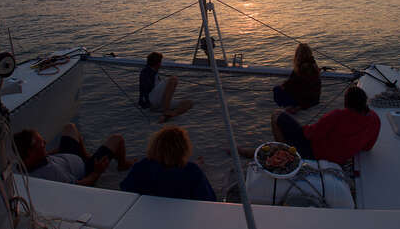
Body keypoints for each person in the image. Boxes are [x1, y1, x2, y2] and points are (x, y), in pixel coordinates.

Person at [239, 86, 381, 165]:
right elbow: (367, 147)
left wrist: (302, 128)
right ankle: (281, 150)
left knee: (277, 115)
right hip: (339, 158)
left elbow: (310, 134)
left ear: (347, 102)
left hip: (314, 153)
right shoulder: (375, 119)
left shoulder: (338, 115)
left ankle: (281, 153)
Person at [14, 123, 135, 186]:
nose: (45, 143)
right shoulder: (51, 172)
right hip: (86, 168)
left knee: (70, 127)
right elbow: (78, 186)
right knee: (117, 139)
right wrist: (97, 172)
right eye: (41, 143)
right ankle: (122, 164)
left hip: (65, 157)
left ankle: (85, 155)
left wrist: (49, 153)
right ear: (30, 151)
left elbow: (39, 158)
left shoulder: (23, 162)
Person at [120, 126, 216, 201]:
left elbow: (125, 189)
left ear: (155, 146)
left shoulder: (143, 166)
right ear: (183, 149)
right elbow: (208, 199)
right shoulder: (192, 171)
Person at [138, 51, 193, 123]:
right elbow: (144, 90)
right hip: (152, 101)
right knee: (173, 79)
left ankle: (170, 114)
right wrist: (146, 104)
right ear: (158, 63)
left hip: (159, 102)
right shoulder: (146, 72)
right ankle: (166, 111)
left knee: (188, 103)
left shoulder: (154, 73)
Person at [273, 43, 321, 113]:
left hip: (305, 100)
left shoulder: (302, 68)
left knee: (277, 90)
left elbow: (292, 83)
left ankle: (291, 108)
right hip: (315, 98)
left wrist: (283, 85)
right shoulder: (313, 65)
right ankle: (293, 107)